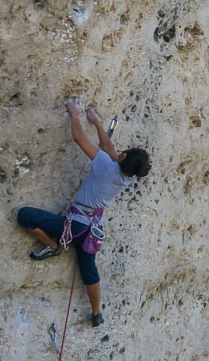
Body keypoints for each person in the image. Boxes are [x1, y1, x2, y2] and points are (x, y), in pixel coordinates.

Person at [17, 100, 151, 326]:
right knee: (89, 270)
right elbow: (110, 149)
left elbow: (80, 139)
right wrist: (98, 123)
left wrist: (75, 115)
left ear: (124, 157)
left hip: (76, 226)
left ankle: (52, 246)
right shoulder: (126, 177)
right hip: (92, 230)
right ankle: (97, 313)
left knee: (25, 216)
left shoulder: (106, 166)